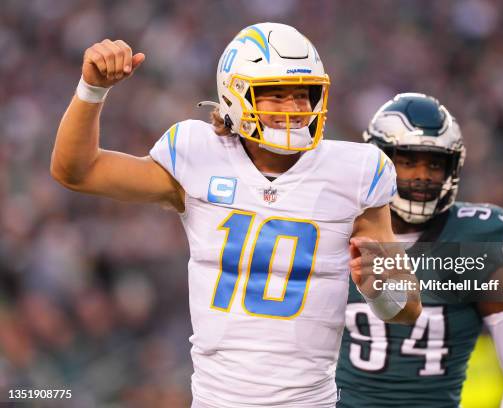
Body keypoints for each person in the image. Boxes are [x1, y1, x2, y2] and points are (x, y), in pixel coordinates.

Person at [50, 23, 421, 407]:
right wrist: (92, 89)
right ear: (236, 96)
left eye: (302, 95)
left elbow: (406, 309)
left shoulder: (357, 172)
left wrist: (379, 288)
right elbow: (76, 171)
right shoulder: (196, 152)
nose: (293, 109)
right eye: (275, 96)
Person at [335, 93, 503, 407]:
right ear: (379, 160)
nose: (423, 175)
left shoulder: (475, 243)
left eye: (435, 163)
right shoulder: (335, 228)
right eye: (408, 161)